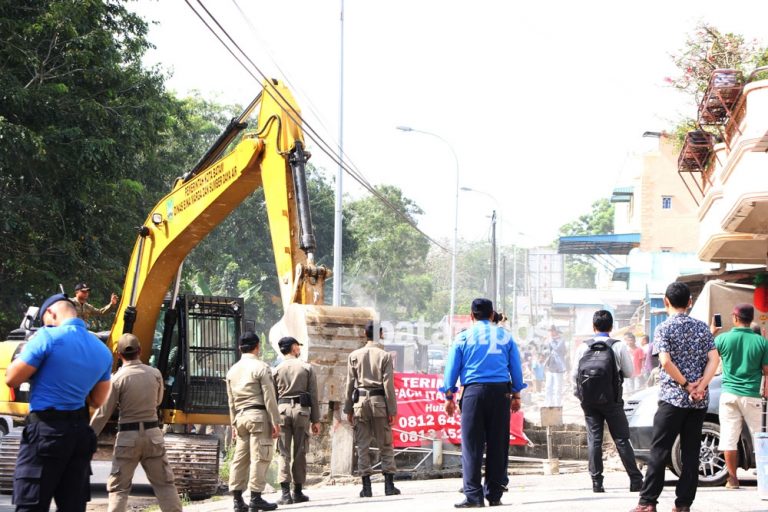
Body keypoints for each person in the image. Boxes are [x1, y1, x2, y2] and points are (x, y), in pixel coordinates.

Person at [5, 293, 113, 511]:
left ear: (50, 313)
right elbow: (98, 400)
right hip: (80, 436)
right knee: (72, 506)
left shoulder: (46, 338)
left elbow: (12, 378)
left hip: (45, 433)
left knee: (30, 504)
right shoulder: (102, 350)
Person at [630, 282, 720, 512]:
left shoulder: (663, 328)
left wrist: (685, 384)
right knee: (691, 453)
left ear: (666, 303)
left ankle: (648, 502)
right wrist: (701, 386)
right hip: (698, 401)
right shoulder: (702, 328)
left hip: (672, 398)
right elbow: (714, 359)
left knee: (659, 450)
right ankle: (683, 505)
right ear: (689, 303)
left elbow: (665, 362)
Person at [441, 298, 525, 508]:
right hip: (500, 393)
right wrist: (516, 395)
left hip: (473, 394)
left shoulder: (463, 338)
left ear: (471, 316)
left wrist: (449, 397)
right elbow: (516, 369)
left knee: (472, 445)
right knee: (498, 443)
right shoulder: (506, 337)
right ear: (491, 315)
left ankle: (473, 496)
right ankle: (495, 494)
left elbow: (451, 371)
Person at [90, 333, 182, 512]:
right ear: (139, 351)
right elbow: (157, 401)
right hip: (153, 435)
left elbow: (103, 413)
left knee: (119, 488)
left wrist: (88, 435)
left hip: (127, 438)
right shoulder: (155, 374)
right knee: (164, 485)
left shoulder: (116, 379)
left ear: (118, 354)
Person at [573, 310, 643, 493]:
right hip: (612, 400)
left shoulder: (583, 347)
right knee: (621, 439)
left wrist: (581, 395)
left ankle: (597, 483)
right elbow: (629, 373)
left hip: (588, 402)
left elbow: (574, 375)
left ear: (593, 327)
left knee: (594, 440)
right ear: (612, 327)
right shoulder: (618, 346)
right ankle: (635, 480)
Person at [343, 320, 400, 498]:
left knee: (362, 446)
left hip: (359, 403)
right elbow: (388, 385)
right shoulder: (384, 356)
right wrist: (392, 411)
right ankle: (389, 486)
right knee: (386, 444)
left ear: (365, 334)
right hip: (379, 403)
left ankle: (366, 488)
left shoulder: (353, 355)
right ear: (380, 334)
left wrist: (348, 410)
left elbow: (349, 384)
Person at [713, 303, 768, 489]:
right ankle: (763, 477)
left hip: (728, 394)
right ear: (751, 318)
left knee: (729, 437)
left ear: (735, 318)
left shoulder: (723, 339)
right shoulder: (762, 342)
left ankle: (732, 479)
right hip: (752, 395)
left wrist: (712, 331)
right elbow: (766, 371)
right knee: (760, 437)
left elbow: (709, 356)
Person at [226, 331, 280, 512]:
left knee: (240, 458)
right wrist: (275, 421)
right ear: (257, 346)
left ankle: (237, 500)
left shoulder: (232, 370)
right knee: (260, 456)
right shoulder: (261, 367)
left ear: (239, 348)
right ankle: (256, 497)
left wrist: (233, 423)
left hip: (240, 418)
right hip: (258, 416)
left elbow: (231, 401)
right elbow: (269, 397)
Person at [272, 336, 321, 504]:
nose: (299, 349)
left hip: (282, 411)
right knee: (300, 450)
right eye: (298, 346)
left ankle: (285, 494)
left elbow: (273, 397)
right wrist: (316, 420)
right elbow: (313, 396)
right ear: (293, 348)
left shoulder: (276, 369)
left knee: (283, 452)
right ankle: (298, 491)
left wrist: (273, 420)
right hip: (302, 411)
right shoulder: (306, 368)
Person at [544, 325, 567, 406]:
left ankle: (557, 406)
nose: (550, 332)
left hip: (559, 368)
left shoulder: (561, 340)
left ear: (556, 331)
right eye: (550, 330)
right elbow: (545, 351)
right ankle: (548, 405)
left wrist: (549, 341)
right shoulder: (548, 340)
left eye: (552, 330)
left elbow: (557, 348)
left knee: (557, 388)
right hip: (550, 367)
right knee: (548, 387)